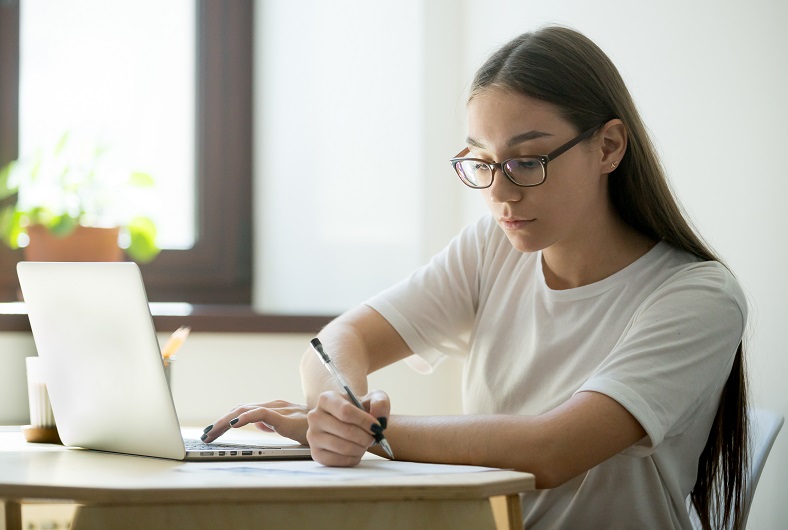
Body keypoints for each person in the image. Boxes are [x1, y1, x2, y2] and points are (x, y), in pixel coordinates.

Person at [202, 26, 749, 529]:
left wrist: (370, 436)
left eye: (527, 162)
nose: (501, 194)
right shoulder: (494, 246)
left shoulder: (696, 296)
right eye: (483, 162)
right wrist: (337, 410)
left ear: (608, 147)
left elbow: (553, 449)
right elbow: (340, 341)